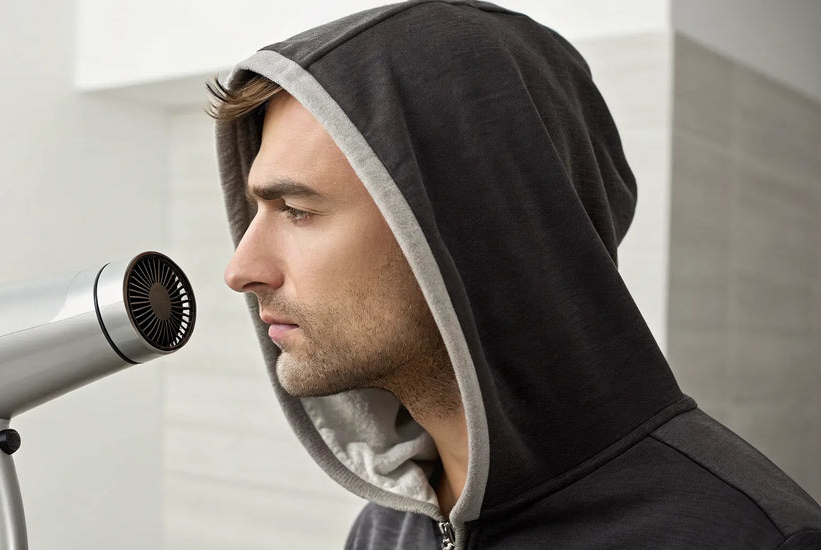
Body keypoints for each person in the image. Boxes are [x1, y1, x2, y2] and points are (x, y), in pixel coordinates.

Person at [206, 1, 821, 548]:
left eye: (297, 210)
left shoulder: (751, 535)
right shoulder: (385, 527)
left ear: (471, 226)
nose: (241, 270)